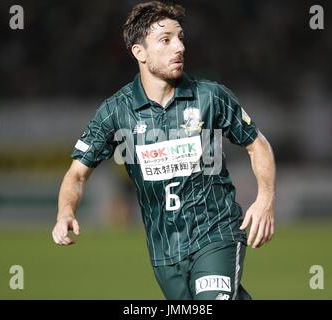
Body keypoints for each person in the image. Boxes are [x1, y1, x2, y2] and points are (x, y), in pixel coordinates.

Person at [52, 1, 276, 300]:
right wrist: (65, 212)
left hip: (216, 234)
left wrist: (265, 199)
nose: (179, 47)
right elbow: (77, 174)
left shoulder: (210, 97)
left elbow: (257, 144)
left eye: (180, 37)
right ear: (139, 52)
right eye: (166, 40)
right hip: (164, 251)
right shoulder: (116, 112)